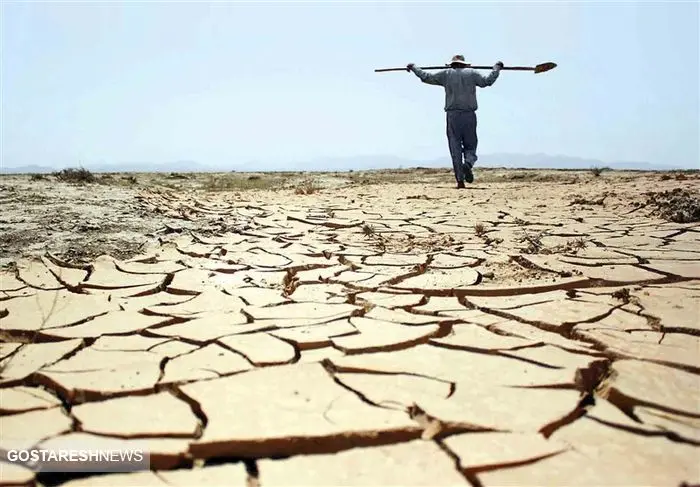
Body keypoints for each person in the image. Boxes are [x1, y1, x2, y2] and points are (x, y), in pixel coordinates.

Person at [407, 54, 503, 188]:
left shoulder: (446, 74)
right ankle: (468, 163)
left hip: (452, 116)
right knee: (471, 145)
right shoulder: (472, 73)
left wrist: (414, 68)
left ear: (452, 64)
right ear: (464, 64)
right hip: (469, 115)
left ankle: (460, 180)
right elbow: (487, 81)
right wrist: (496, 68)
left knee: (455, 147)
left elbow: (426, 77)